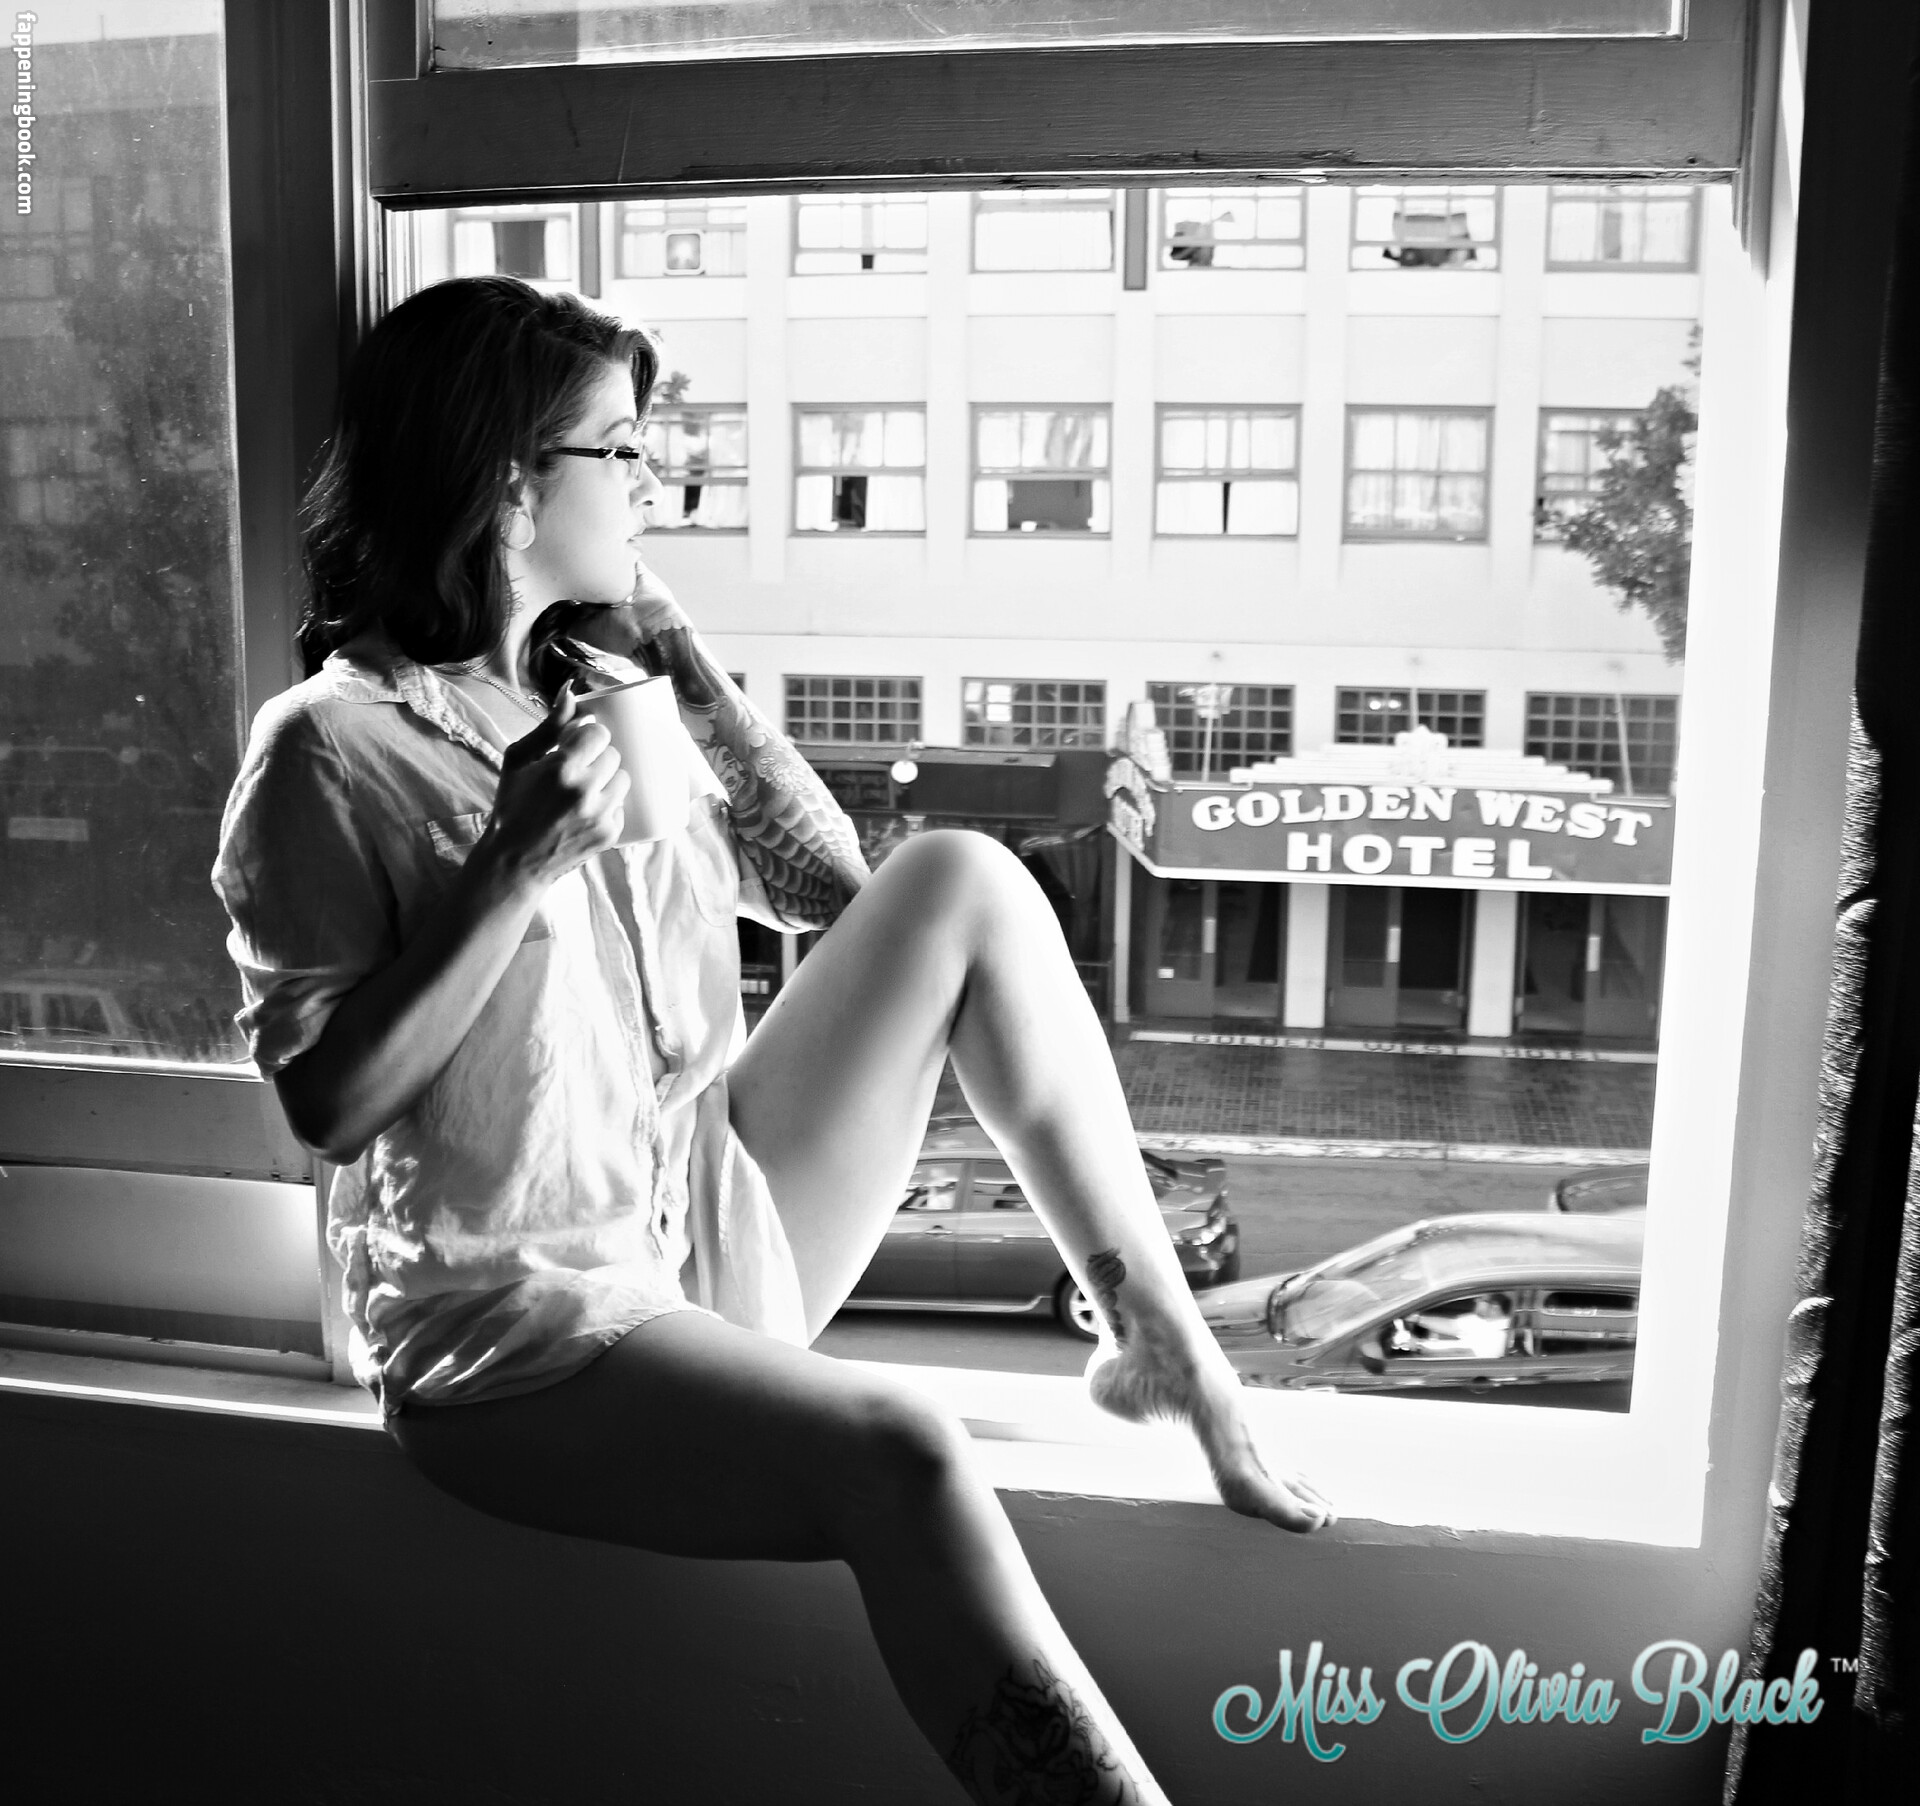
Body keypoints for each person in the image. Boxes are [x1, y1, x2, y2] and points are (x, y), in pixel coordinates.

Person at [214, 275, 1332, 1805]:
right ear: (509, 485)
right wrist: (510, 867)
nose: (652, 482)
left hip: (701, 1219)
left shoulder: (596, 694)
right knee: (905, 1450)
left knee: (962, 880)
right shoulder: (328, 748)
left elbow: (831, 889)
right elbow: (328, 1105)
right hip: (515, 1322)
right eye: (622, 451)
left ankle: (1163, 1346)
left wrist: (666, 647)